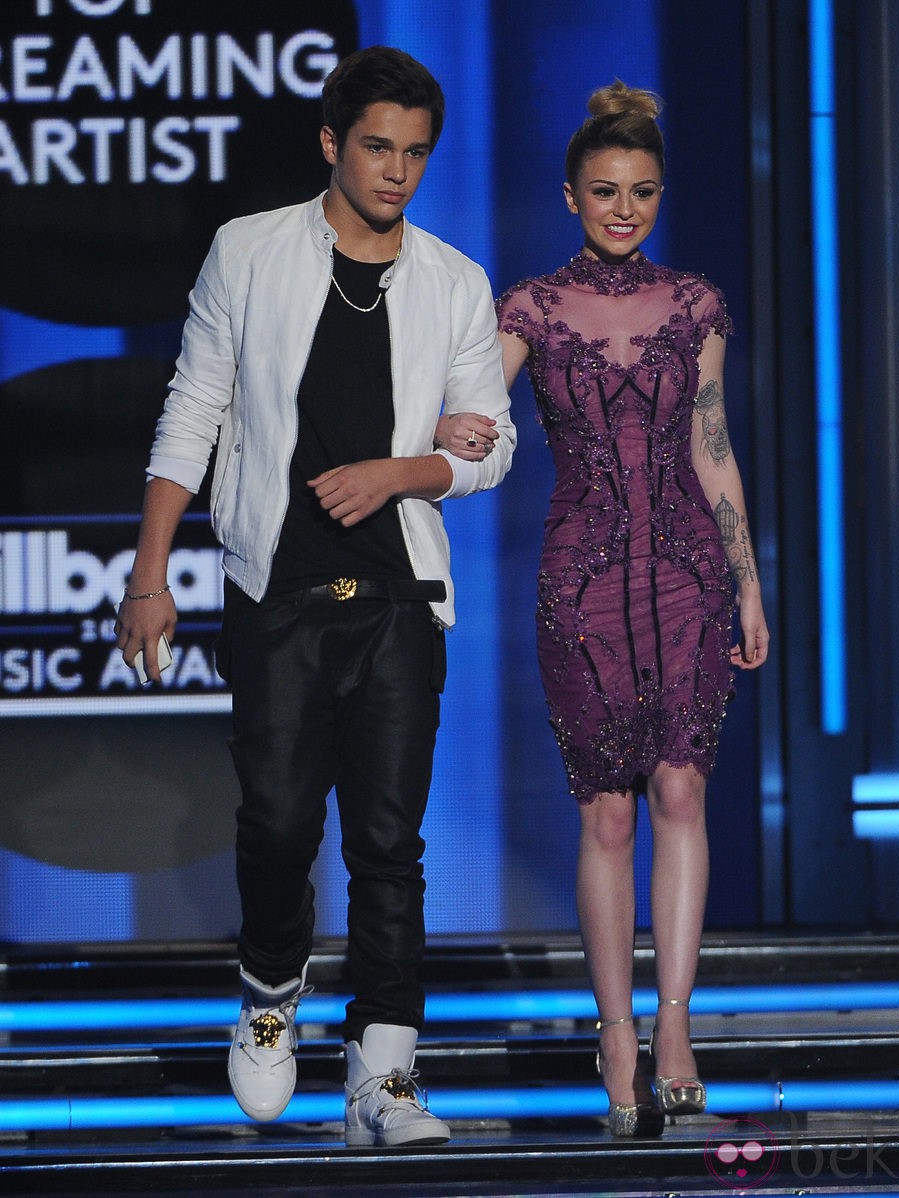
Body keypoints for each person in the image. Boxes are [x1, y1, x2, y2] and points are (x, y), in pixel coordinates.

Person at [115, 45, 515, 1148]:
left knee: (388, 842)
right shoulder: (248, 253)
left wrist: (403, 470)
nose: (396, 172)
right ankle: (268, 994)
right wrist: (148, 573)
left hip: (398, 595)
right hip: (277, 589)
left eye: (416, 153)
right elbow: (190, 410)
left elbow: (493, 448)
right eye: (377, 147)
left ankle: (382, 1079)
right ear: (333, 144)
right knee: (279, 821)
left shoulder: (453, 281)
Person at [438, 81, 768, 1137]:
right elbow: (470, 413)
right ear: (570, 195)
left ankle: (673, 1026)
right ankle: (614, 1029)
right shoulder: (527, 308)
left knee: (680, 791)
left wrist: (747, 581)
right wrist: (453, 422)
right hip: (578, 579)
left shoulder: (695, 305)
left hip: (684, 571)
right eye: (604, 192)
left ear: (657, 195)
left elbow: (711, 450)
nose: (623, 209)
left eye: (641, 192)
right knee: (607, 810)